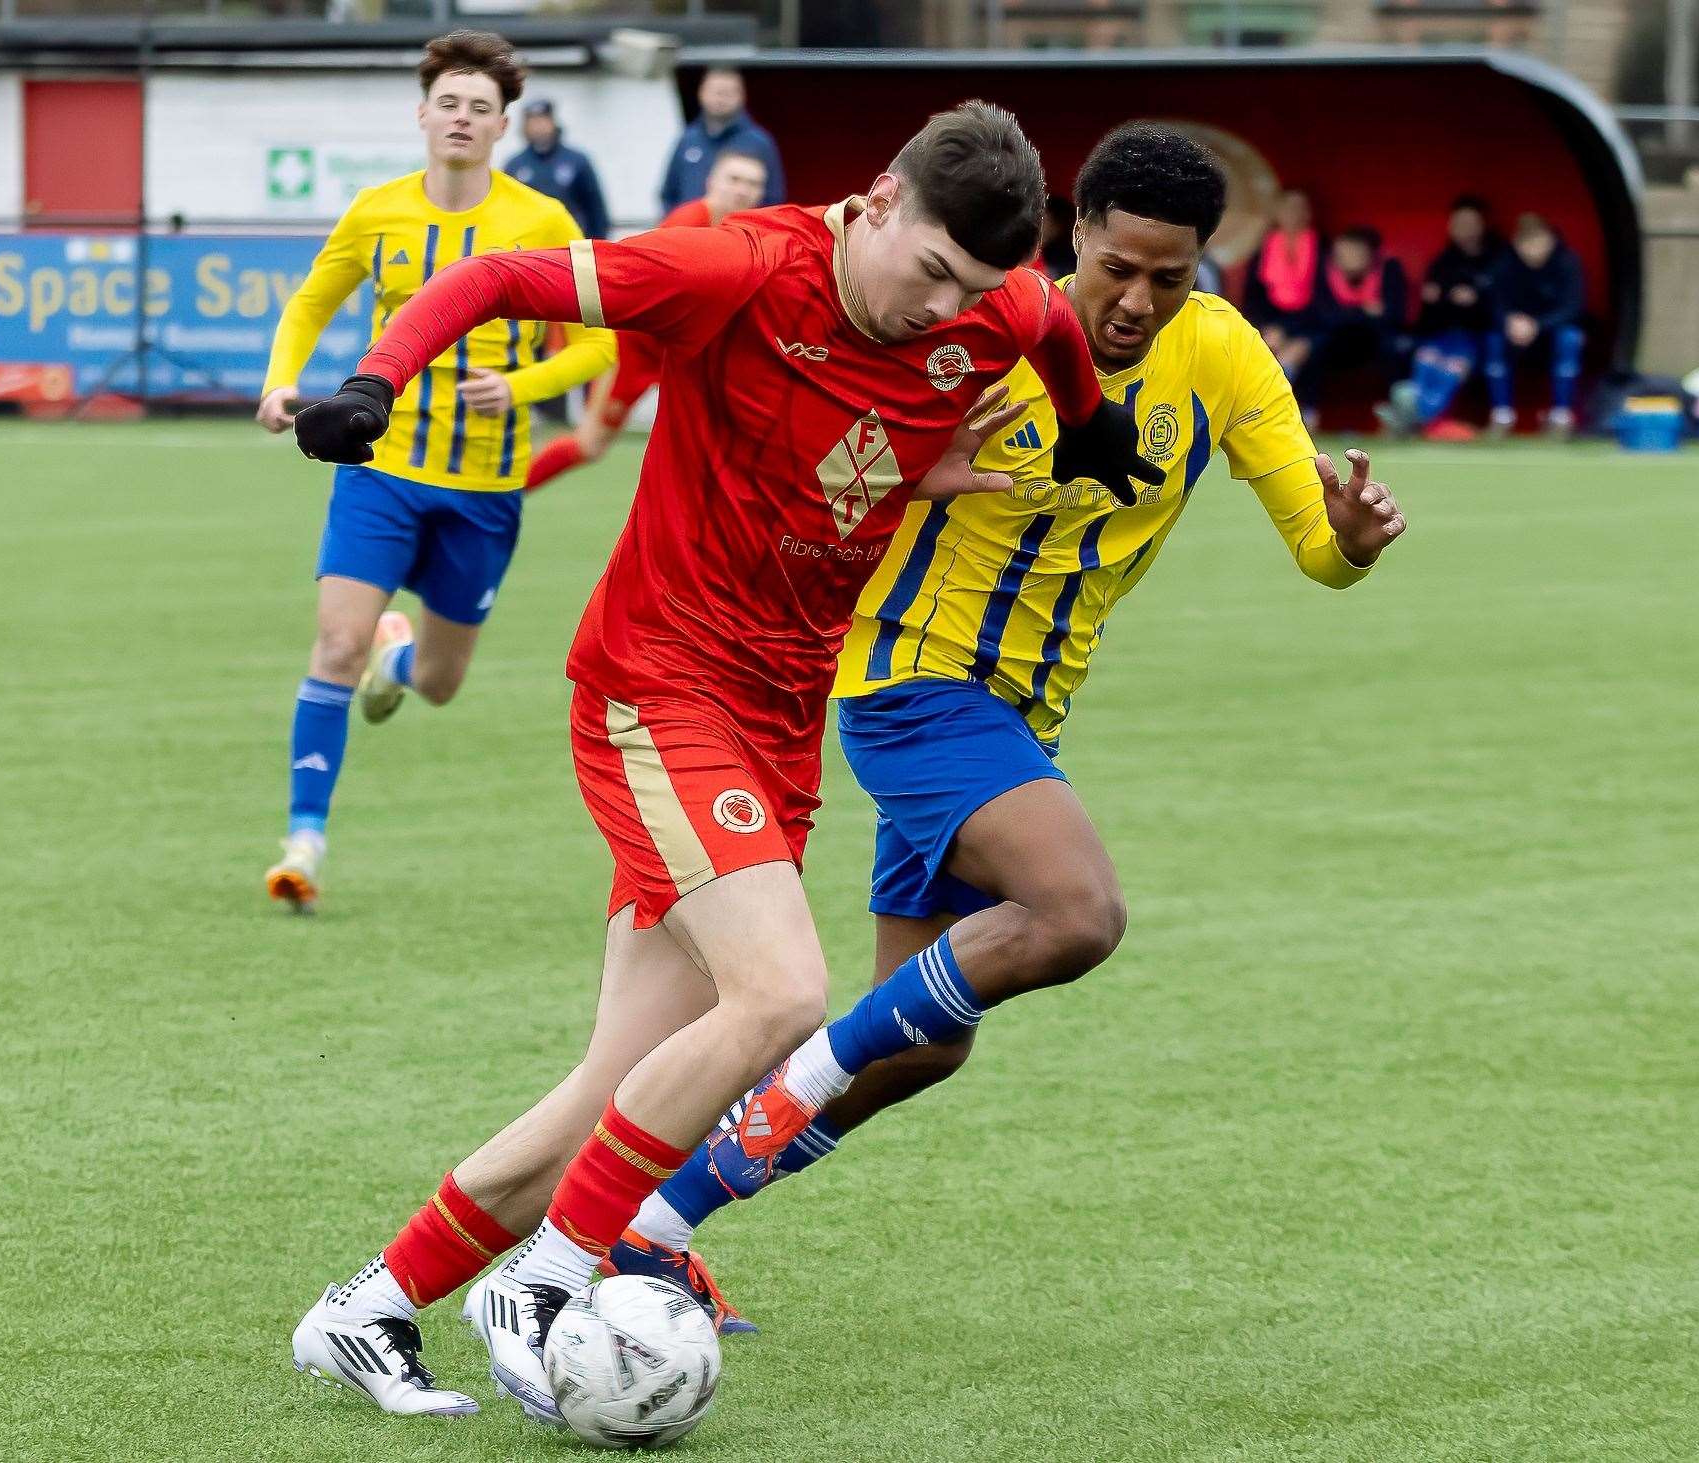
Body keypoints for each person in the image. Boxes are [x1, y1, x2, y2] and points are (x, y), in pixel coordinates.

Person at [286, 100, 1161, 1420]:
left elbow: (1040, 324)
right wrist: (378, 379)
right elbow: (495, 276)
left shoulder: (992, 307)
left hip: (775, 718)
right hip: (656, 686)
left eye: (969, 289)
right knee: (779, 993)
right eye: (927, 272)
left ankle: (369, 1304)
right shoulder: (735, 266)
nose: (943, 311)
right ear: (875, 202)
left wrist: (1086, 424)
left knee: (624, 1081)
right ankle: (547, 1278)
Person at [606, 124, 1407, 1306]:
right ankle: (683, 1171)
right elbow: (822, 463)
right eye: (1115, 267)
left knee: (922, 1042)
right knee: (1075, 911)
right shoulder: (981, 324)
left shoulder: (1224, 356)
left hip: (1019, 720)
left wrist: (1346, 540)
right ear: (1070, 232)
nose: (1134, 301)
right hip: (907, 680)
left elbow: (1315, 544)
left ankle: (647, 1221)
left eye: (1167, 278)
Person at [254, 30, 617, 912]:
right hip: (380, 466)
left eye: (479, 108)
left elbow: (602, 341)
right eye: (448, 103)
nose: (462, 118)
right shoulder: (377, 210)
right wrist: (281, 382)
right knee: (336, 641)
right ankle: (303, 837)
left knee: (442, 686)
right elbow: (312, 300)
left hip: (487, 486)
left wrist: (525, 383)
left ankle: (404, 652)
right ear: (422, 114)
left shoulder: (540, 221)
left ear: (503, 127)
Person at [524, 148, 769, 493]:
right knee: (590, 444)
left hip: (686, 356)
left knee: (721, 445)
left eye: (753, 183)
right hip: (636, 350)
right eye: (735, 179)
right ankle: (502, 494)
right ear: (712, 181)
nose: (743, 190)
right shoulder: (688, 223)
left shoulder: (752, 234)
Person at [1380, 194, 1507, 437]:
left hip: (1481, 338)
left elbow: (1498, 305)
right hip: (1444, 335)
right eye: (1458, 223)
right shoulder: (1443, 261)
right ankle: (1414, 408)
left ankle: (1420, 416)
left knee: (1452, 365)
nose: (1464, 229)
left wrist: (1473, 299)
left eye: (1470, 222)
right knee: (1427, 357)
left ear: (1483, 224)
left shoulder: (1499, 259)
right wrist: (1444, 299)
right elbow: (1432, 310)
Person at [1296, 225, 1409, 430]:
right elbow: (1323, 316)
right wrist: (1364, 311)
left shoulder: (1389, 269)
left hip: (1375, 339)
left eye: (1353, 251)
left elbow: (1394, 315)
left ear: (1369, 253)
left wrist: (1349, 314)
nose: (1346, 257)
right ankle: (1308, 413)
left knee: (1397, 348)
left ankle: (1400, 413)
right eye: (1341, 253)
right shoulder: (1325, 272)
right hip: (1338, 341)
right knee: (1312, 347)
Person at [1491, 212, 1585, 437]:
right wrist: (1510, 322)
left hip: (1551, 334)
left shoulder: (1568, 262)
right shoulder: (1504, 263)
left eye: (1539, 240)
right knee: (1493, 340)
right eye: (1526, 242)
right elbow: (1495, 305)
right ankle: (1502, 417)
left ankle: (1561, 417)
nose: (1533, 248)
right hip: (1515, 336)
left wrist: (1536, 325)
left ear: (1551, 239)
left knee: (1570, 338)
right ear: (1516, 243)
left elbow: (1573, 308)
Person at [660, 66, 786, 214]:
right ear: (701, 93)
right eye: (716, 92)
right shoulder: (688, 138)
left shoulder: (759, 142)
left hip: (738, 231)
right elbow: (669, 193)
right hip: (688, 230)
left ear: (742, 96)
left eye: (728, 93)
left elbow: (773, 197)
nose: (720, 98)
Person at [503, 99, 611, 241]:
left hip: (573, 242)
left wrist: (597, 248)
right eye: (533, 121)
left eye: (543, 120)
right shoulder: (515, 165)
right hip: (530, 247)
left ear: (553, 122)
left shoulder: (578, 161)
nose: (538, 126)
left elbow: (597, 212)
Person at [1242, 188, 1321, 381]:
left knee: (1295, 353)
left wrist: (1287, 330)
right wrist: (1267, 327)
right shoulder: (1263, 249)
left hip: (1310, 324)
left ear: (1308, 213)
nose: (1292, 213)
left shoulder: (1323, 248)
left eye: (1298, 208)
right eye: (1286, 207)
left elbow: (1325, 299)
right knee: (1261, 348)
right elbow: (1252, 297)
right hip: (1270, 324)